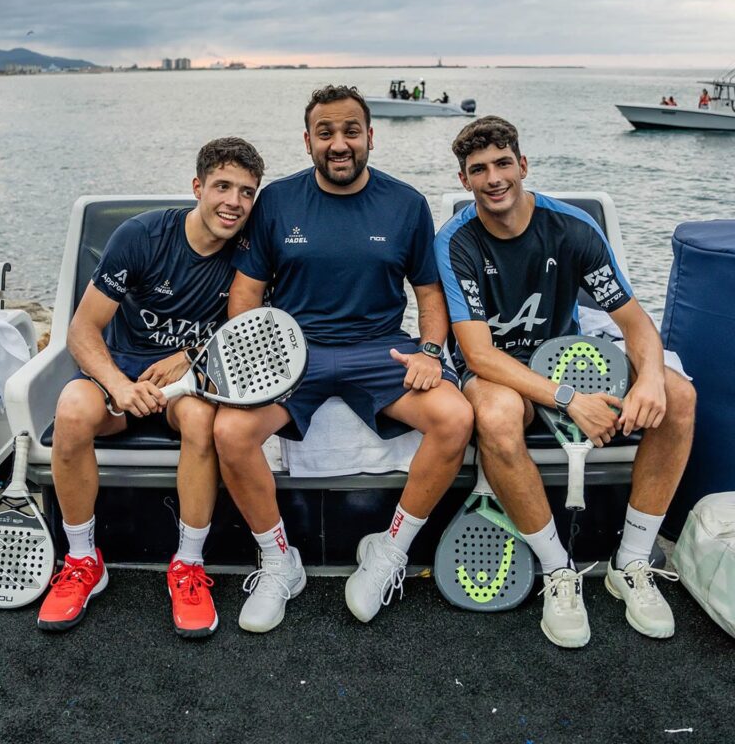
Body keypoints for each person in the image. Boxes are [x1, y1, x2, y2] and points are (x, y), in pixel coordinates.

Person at [213, 84, 474, 633]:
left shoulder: (405, 204)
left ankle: (390, 549)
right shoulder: (277, 203)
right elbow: (246, 293)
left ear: (370, 137)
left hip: (379, 348)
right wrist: (250, 356)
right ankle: (279, 560)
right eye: (325, 132)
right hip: (293, 354)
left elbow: (430, 295)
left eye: (351, 130)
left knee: (455, 418)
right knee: (232, 432)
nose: (339, 143)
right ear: (307, 141)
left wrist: (430, 351)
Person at [435, 115, 695, 649]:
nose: (493, 178)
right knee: (497, 415)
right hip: (499, 370)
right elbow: (479, 354)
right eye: (478, 169)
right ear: (465, 181)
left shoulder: (572, 227)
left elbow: (633, 319)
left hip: (566, 356)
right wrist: (570, 400)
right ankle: (558, 570)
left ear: (522, 165)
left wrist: (648, 378)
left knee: (680, 396)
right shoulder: (455, 241)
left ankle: (631, 563)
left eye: (503, 163)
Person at [37, 138, 265, 637]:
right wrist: (117, 386)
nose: (233, 202)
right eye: (222, 186)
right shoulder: (142, 235)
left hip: (187, 385)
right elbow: (81, 330)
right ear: (197, 187)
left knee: (203, 419)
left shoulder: (250, 255)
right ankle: (81, 560)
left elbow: (251, 335)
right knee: (72, 407)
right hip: (121, 379)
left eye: (246, 193)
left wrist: (188, 357)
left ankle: (187, 565)